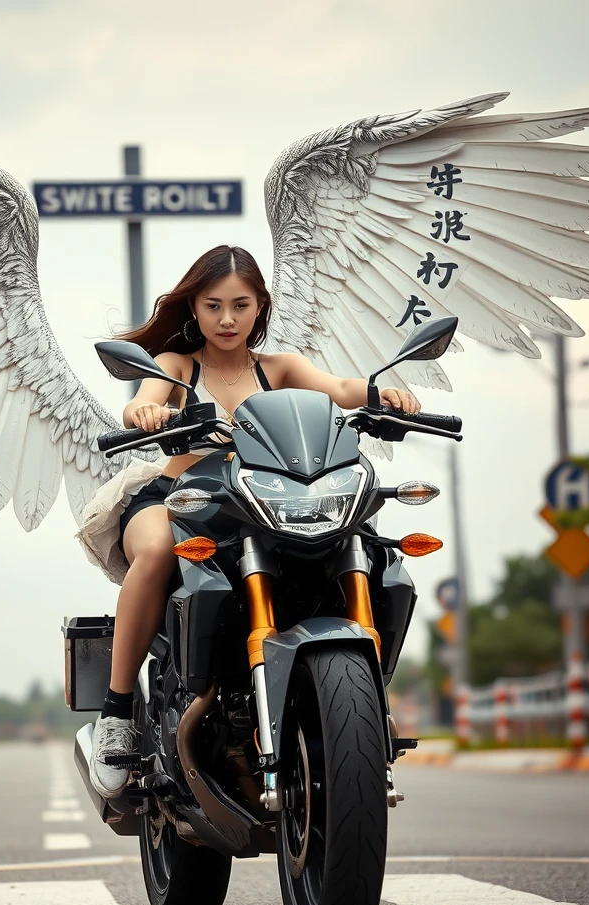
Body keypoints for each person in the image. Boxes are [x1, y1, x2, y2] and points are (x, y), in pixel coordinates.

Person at [86, 245, 420, 798]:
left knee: (363, 541)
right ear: (192, 308)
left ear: (259, 307)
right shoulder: (176, 367)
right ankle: (118, 713)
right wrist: (148, 412)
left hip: (263, 499)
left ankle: (357, 694)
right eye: (213, 305)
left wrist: (381, 394)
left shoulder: (279, 369)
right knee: (157, 551)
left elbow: (338, 390)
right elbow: (140, 403)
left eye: (240, 305)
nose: (226, 319)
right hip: (182, 497)